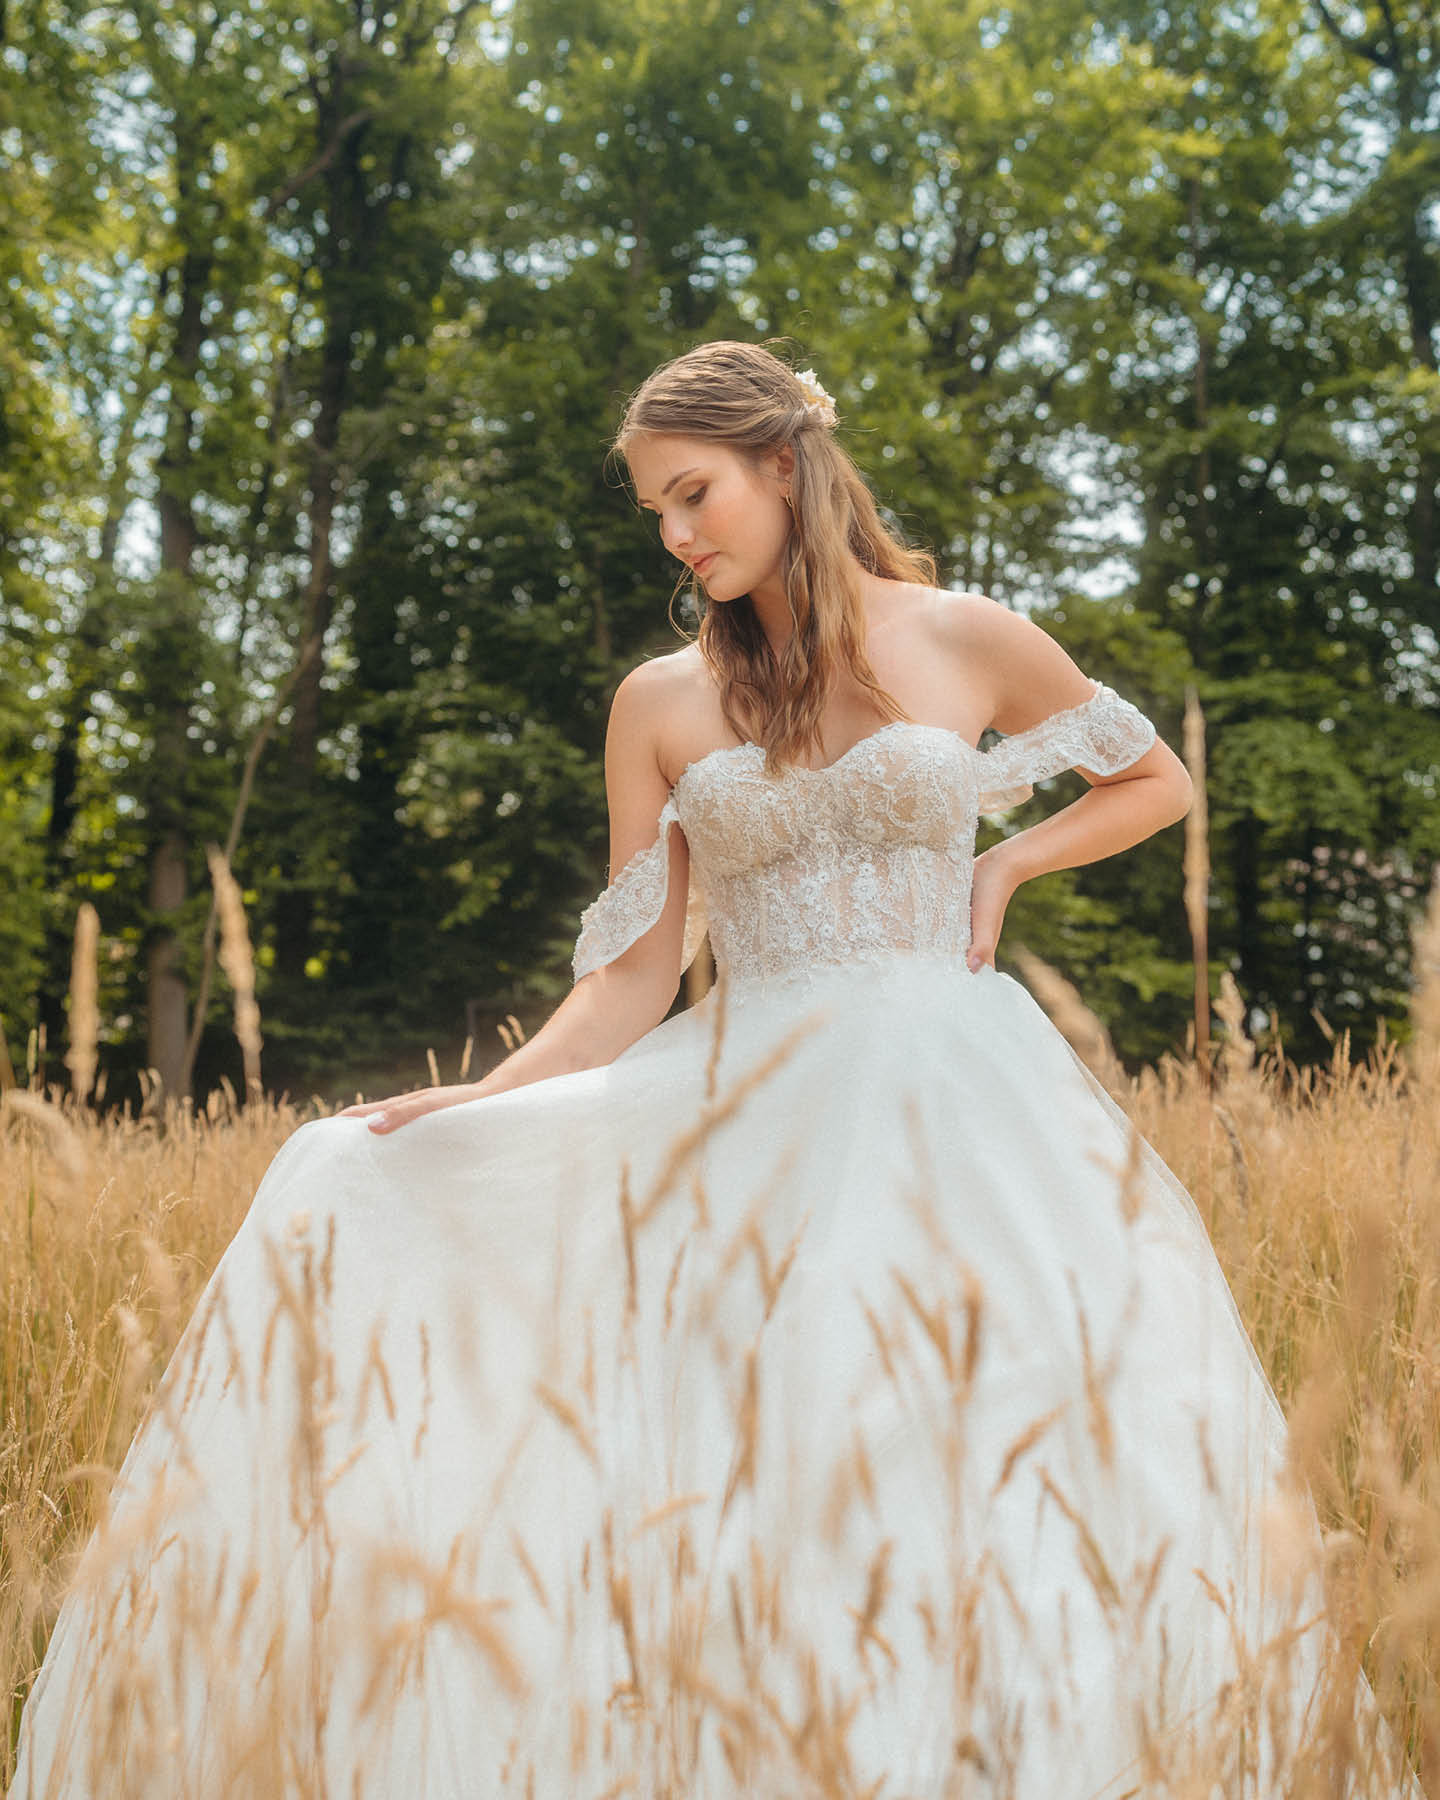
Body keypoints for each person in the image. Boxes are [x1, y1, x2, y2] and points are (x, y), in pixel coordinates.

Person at [8, 342, 1415, 1799]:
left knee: (991, 1438)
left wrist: (1005, 867)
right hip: (752, 1107)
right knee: (741, 1446)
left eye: (696, 495)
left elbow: (1153, 780)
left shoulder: (965, 634)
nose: (681, 537)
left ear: (784, 465)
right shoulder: (661, 702)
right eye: (657, 515)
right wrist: (485, 1101)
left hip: (964, 1107)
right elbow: (629, 976)